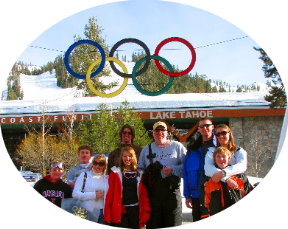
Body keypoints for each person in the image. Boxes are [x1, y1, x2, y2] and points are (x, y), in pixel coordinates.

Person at [138, 121, 186, 228]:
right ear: (153, 133)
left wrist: (173, 170)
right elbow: (140, 169)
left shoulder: (178, 147)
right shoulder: (146, 149)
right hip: (153, 196)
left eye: (162, 130)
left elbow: (187, 168)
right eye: (157, 130)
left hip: (172, 195)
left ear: (167, 132)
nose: (160, 133)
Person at [104, 146, 150, 229]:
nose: (127, 158)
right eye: (125, 156)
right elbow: (110, 195)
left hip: (136, 210)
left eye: (130, 156)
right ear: (121, 157)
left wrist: (146, 211)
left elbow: (144, 194)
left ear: (133, 157)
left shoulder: (140, 173)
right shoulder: (115, 172)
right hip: (121, 210)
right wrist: (107, 215)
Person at [184, 118, 217, 221]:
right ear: (198, 129)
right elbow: (186, 173)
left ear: (212, 127)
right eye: (202, 126)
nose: (205, 128)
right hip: (196, 194)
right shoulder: (193, 149)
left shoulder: (219, 147)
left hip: (215, 192)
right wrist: (187, 194)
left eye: (207, 125)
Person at [204, 146, 249, 215]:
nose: (221, 159)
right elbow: (207, 204)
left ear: (229, 159)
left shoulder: (240, 178)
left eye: (224, 156)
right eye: (218, 156)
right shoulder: (211, 181)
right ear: (214, 160)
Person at [204, 124, 247, 188]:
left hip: (237, 187)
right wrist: (226, 179)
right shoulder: (211, 151)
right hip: (218, 190)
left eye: (224, 133)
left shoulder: (239, 151)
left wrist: (224, 172)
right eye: (218, 134)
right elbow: (208, 169)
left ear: (229, 134)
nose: (221, 136)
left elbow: (241, 166)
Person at [72, 154, 108, 223]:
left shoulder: (107, 178)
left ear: (104, 165)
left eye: (101, 164)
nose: (97, 166)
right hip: (87, 211)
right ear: (92, 164)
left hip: (102, 213)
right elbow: (75, 194)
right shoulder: (84, 175)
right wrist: (93, 195)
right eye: (95, 163)